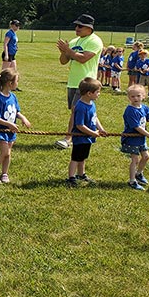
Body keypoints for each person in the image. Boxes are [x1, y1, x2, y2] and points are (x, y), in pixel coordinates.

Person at [54, 14, 103, 149]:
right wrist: (64, 52)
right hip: (73, 81)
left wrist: (68, 50)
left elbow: (83, 58)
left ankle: (68, 138)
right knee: (75, 111)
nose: (77, 28)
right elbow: (63, 61)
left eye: (80, 26)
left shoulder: (95, 41)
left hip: (87, 82)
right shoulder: (75, 41)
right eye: (76, 25)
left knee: (77, 110)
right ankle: (86, 134)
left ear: (89, 28)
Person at [0, 68, 31, 184]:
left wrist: (23, 118)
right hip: (0, 130)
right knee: (5, 153)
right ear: (10, 83)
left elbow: (16, 111)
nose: (17, 84)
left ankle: (4, 173)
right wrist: (9, 124)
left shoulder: (13, 97)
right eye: (17, 81)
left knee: (8, 153)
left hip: (11, 131)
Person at [65, 77, 107, 187]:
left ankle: (81, 174)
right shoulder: (81, 107)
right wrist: (93, 133)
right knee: (75, 158)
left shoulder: (92, 104)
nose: (99, 94)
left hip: (88, 137)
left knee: (83, 157)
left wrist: (101, 128)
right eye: (97, 92)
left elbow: (95, 117)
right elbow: (79, 125)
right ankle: (71, 177)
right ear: (89, 93)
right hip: (80, 137)